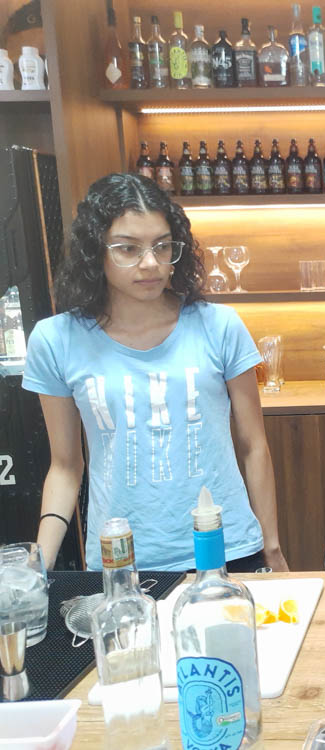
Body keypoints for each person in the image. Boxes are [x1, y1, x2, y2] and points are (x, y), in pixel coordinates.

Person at [23, 173, 289, 572]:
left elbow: (254, 445)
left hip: (227, 549)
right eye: (128, 248)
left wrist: (271, 547)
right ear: (94, 252)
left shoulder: (218, 325)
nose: (150, 263)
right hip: (121, 560)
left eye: (162, 246)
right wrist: (39, 564)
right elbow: (65, 466)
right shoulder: (56, 339)